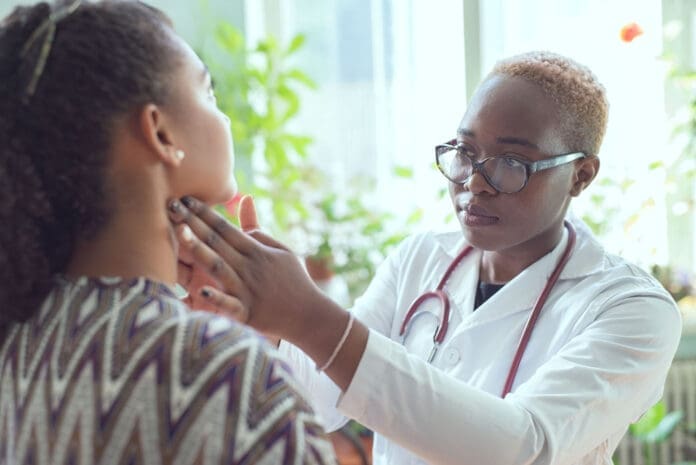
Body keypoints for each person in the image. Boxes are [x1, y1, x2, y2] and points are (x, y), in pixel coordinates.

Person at [167, 52, 683, 465]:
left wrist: (308, 312)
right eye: (464, 152)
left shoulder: (632, 310)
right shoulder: (421, 259)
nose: (475, 182)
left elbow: (519, 447)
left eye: (511, 163)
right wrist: (262, 324)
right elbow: (316, 401)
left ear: (581, 174)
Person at [0, 1, 337, 464]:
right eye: (209, 93)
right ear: (160, 134)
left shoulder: (18, 340)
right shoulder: (223, 375)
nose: (225, 119)